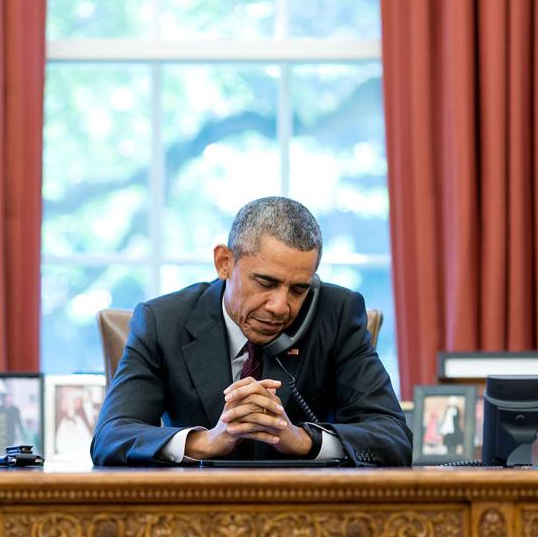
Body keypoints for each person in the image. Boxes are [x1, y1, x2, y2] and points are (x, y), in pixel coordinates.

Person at [91, 196, 413, 466]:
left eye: (298, 290)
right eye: (266, 283)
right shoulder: (163, 321)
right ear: (224, 263)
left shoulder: (337, 314)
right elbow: (111, 437)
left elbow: (394, 438)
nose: (280, 306)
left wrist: (302, 440)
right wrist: (207, 442)